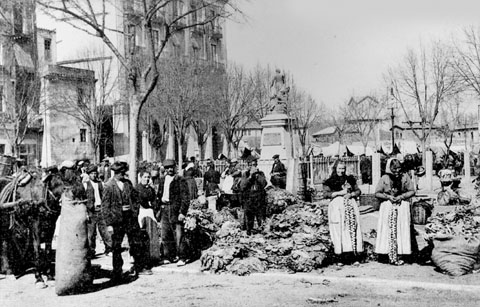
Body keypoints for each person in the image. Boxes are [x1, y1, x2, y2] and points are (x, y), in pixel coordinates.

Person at [101, 161, 151, 282]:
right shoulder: (108, 186)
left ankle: (139, 267)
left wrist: (134, 211)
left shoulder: (128, 184)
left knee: (135, 242)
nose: (123, 175)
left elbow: (135, 198)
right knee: (116, 247)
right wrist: (109, 224)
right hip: (116, 220)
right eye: (120, 173)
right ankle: (117, 272)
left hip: (130, 218)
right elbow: (105, 207)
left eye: (124, 173)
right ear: (116, 173)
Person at [375, 158, 415, 265]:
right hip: (388, 206)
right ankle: (386, 252)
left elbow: (412, 190)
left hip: (402, 206)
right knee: (387, 229)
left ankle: (401, 252)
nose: (397, 171)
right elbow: (377, 193)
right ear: (390, 168)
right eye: (394, 169)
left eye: (398, 168)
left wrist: (402, 196)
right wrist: (388, 197)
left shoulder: (405, 176)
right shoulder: (384, 178)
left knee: (402, 229)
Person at [323, 161, 363, 265]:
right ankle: (339, 257)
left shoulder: (350, 179)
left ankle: (353, 256)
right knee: (339, 230)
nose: (341, 171)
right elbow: (326, 194)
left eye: (343, 169)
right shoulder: (329, 181)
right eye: (339, 168)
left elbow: (358, 191)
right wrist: (339, 193)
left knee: (352, 228)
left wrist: (352, 194)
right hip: (337, 207)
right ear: (335, 168)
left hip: (350, 205)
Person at [156, 159, 190, 266]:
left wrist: (182, 212)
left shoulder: (180, 180)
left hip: (175, 209)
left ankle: (182, 257)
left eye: (171, 167)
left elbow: (185, 197)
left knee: (179, 234)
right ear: (164, 169)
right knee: (165, 234)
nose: (169, 170)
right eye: (167, 168)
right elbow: (159, 194)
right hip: (164, 208)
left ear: (175, 168)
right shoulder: (162, 180)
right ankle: (168, 256)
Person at [83, 164, 112, 258]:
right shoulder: (85, 184)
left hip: (101, 210)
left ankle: (109, 249)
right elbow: (83, 200)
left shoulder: (101, 183)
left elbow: (105, 196)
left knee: (105, 231)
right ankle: (91, 251)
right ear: (88, 174)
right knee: (90, 233)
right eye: (92, 174)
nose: (94, 175)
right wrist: (86, 212)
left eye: (95, 173)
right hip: (91, 211)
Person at [136, 170, 160, 266]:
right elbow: (140, 200)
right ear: (140, 177)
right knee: (142, 235)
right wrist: (148, 203)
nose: (146, 179)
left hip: (150, 212)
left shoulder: (150, 189)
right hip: (141, 212)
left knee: (152, 234)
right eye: (144, 177)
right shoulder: (137, 188)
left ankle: (153, 257)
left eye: (148, 177)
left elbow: (154, 200)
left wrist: (153, 205)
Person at [243, 157, 267, 235]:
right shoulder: (245, 174)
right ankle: (249, 232)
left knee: (261, 217)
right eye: (251, 165)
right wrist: (250, 176)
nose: (253, 167)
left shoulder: (260, 174)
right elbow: (243, 186)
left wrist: (257, 176)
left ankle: (262, 232)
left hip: (259, 199)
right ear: (248, 166)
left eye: (255, 165)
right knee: (249, 218)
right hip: (249, 199)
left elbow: (264, 183)